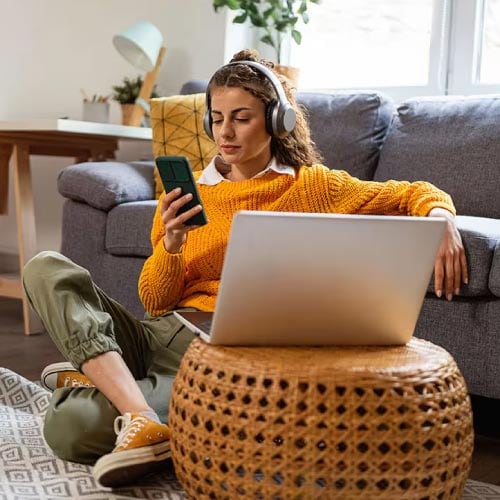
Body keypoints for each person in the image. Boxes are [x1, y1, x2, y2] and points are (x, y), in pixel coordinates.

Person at [22, 48, 468, 489]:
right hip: (157, 332)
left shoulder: (312, 187)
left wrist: (440, 218)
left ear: (278, 121)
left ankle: (102, 376)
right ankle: (138, 411)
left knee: (70, 428)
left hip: (210, 361)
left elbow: (410, 193)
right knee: (45, 267)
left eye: (242, 117)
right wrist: (172, 245)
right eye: (217, 118)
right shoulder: (189, 192)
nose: (226, 132)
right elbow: (154, 300)